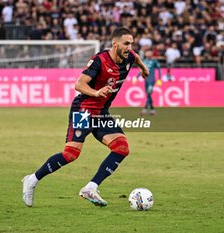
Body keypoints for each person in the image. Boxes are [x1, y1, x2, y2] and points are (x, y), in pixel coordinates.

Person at [22, 27, 149, 207]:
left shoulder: (128, 55)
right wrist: (96, 93)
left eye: (131, 43)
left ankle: (90, 188)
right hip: (84, 110)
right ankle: (32, 180)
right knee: (71, 154)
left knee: (121, 147)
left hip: (101, 113)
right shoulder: (99, 61)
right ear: (115, 44)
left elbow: (135, 57)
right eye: (126, 43)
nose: (130, 47)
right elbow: (79, 84)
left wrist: (143, 69)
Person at [136, 50, 161, 115]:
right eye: (147, 53)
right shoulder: (144, 61)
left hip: (152, 80)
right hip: (146, 80)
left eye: (150, 53)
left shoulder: (154, 61)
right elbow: (141, 70)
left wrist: (159, 79)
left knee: (149, 93)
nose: (149, 55)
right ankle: (152, 109)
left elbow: (159, 69)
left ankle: (144, 109)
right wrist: (137, 77)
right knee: (148, 94)